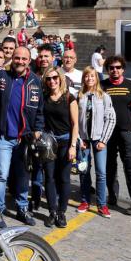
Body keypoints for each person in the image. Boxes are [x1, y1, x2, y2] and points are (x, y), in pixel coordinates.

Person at [0, 45, 44, 228]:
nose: (20, 61)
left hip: (25, 138)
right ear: (11, 58)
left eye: (24, 59)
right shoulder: (1, 77)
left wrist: (37, 129)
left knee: (23, 176)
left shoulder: (35, 81)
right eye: (17, 58)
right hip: (3, 136)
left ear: (29, 61)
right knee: (1, 175)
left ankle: (22, 208)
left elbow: (40, 111)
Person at [103, 54, 131, 214]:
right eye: (111, 68)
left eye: (118, 67)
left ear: (123, 69)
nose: (115, 70)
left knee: (130, 167)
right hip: (107, 133)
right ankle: (112, 196)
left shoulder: (130, 85)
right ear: (107, 70)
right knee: (110, 166)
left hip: (126, 132)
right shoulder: (102, 85)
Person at [41, 66, 78, 228]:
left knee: (63, 178)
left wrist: (73, 146)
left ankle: (62, 212)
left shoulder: (69, 97)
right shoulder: (43, 97)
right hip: (49, 143)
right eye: (48, 79)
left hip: (65, 142)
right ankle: (52, 211)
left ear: (60, 78)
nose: (52, 81)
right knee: (49, 177)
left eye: (55, 78)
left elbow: (75, 124)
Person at [76, 66, 116, 217]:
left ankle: (102, 204)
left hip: (99, 139)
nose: (90, 79)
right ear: (84, 78)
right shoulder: (80, 96)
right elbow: (75, 120)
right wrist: (79, 139)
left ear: (96, 78)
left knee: (101, 172)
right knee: (83, 170)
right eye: (87, 76)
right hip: (84, 140)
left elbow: (111, 119)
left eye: (92, 76)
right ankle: (85, 200)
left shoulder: (103, 96)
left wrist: (104, 140)